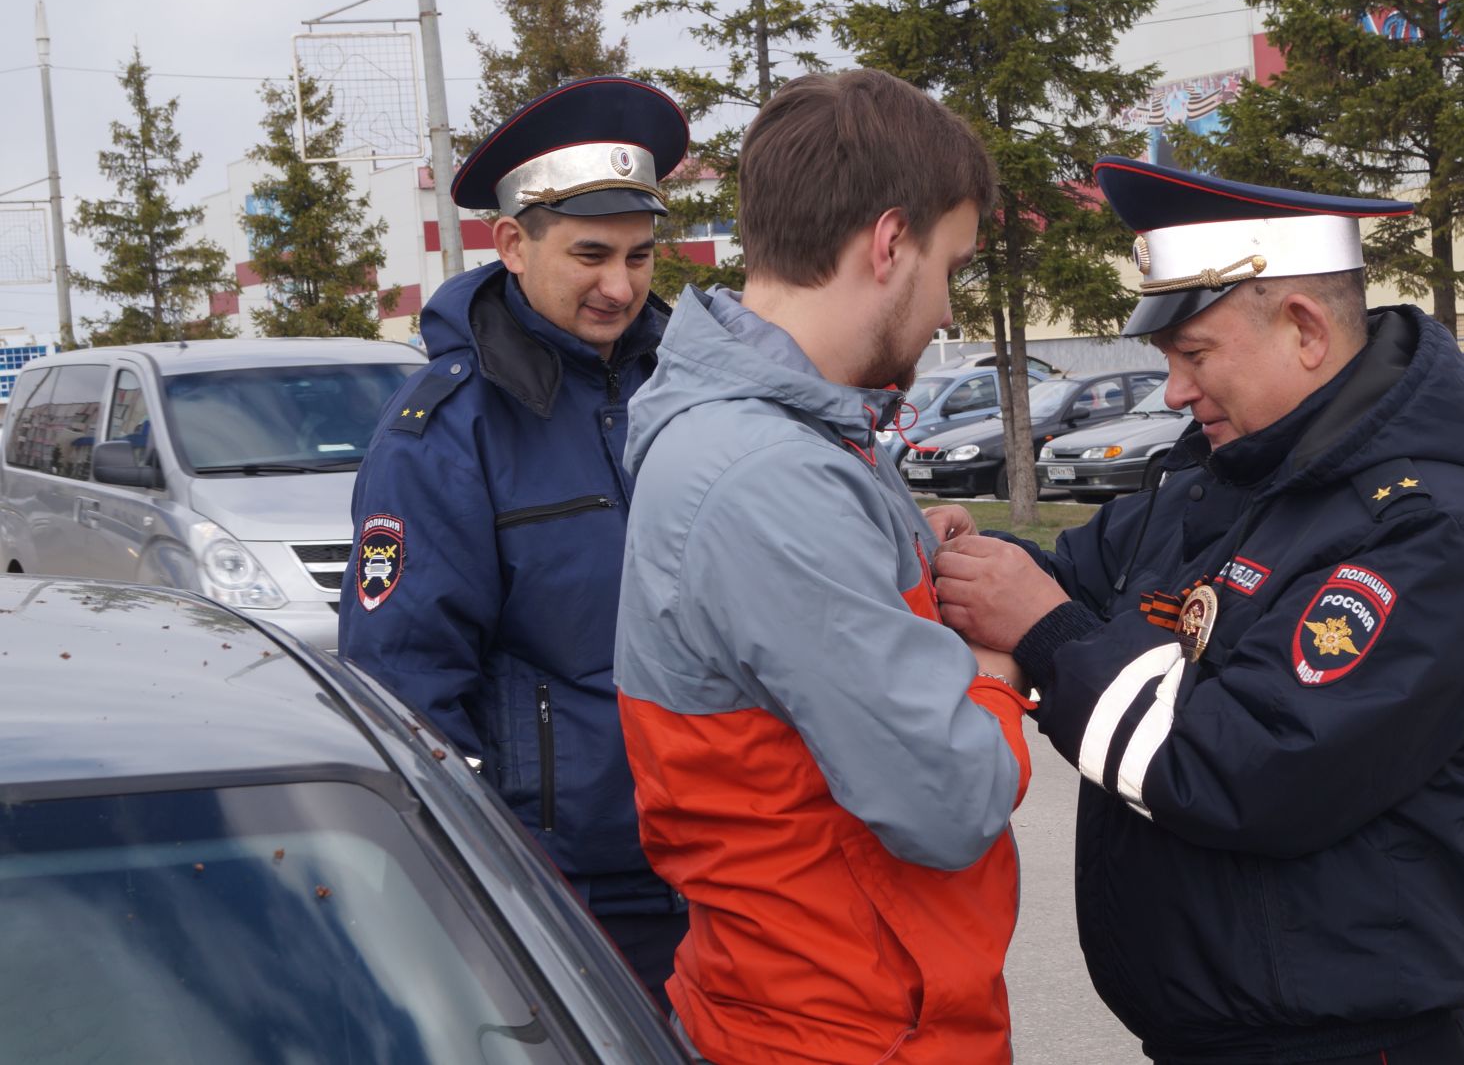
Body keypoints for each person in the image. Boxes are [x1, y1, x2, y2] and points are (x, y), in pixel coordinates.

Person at [930, 157, 1464, 1065]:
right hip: (1214, 1033)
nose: (1173, 390)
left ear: (1304, 330)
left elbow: (1243, 768)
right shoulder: (1228, 477)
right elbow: (1073, 577)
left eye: (1194, 355)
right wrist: (965, 554)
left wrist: (1045, 636)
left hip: (1335, 1044)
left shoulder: (1420, 530)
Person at [609, 69, 1032, 1064]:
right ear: (888, 244)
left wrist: (907, 554)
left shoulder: (790, 440)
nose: (947, 310)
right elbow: (949, 798)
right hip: (849, 1028)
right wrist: (996, 676)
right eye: (950, 267)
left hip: (847, 1007)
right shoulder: (769, 474)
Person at [339, 77, 691, 1005]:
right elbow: (407, 687)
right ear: (510, 245)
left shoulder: (693, 395)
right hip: (559, 891)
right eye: (589, 254)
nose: (620, 286)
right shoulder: (444, 434)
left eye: (640, 256)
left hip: (725, 863)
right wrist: (491, 885)